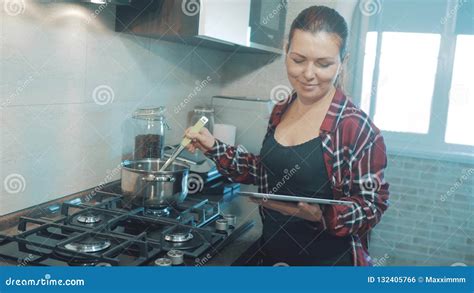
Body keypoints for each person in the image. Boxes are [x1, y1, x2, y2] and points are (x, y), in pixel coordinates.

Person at [184, 5, 389, 266]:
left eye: (324, 64)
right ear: (286, 52)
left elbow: (372, 207)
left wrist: (321, 215)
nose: (308, 74)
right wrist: (212, 145)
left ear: (343, 61)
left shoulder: (357, 128)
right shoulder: (282, 109)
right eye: (298, 59)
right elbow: (264, 171)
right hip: (274, 258)